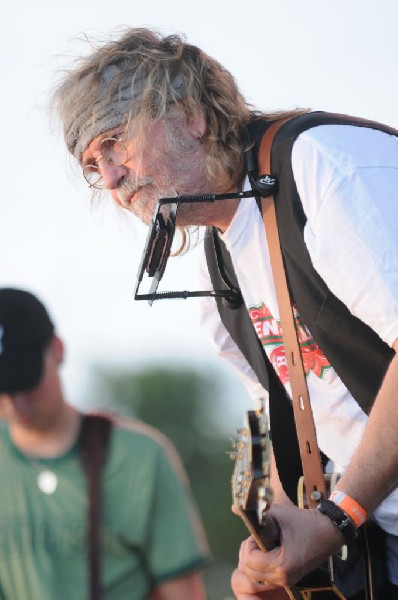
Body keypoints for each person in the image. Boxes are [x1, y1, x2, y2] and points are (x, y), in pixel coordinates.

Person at [51, 27, 398, 598]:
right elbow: (306, 430)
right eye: (94, 165)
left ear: (192, 116)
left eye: (114, 143)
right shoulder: (216, 268)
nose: (110, 179)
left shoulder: (321, 166)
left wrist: (340, 516)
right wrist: (280, 545)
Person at [0, 287, 209, 600]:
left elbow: (184, 593)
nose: (15, 404)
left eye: (24, 381)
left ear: (57, 349)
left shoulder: (141, 458)